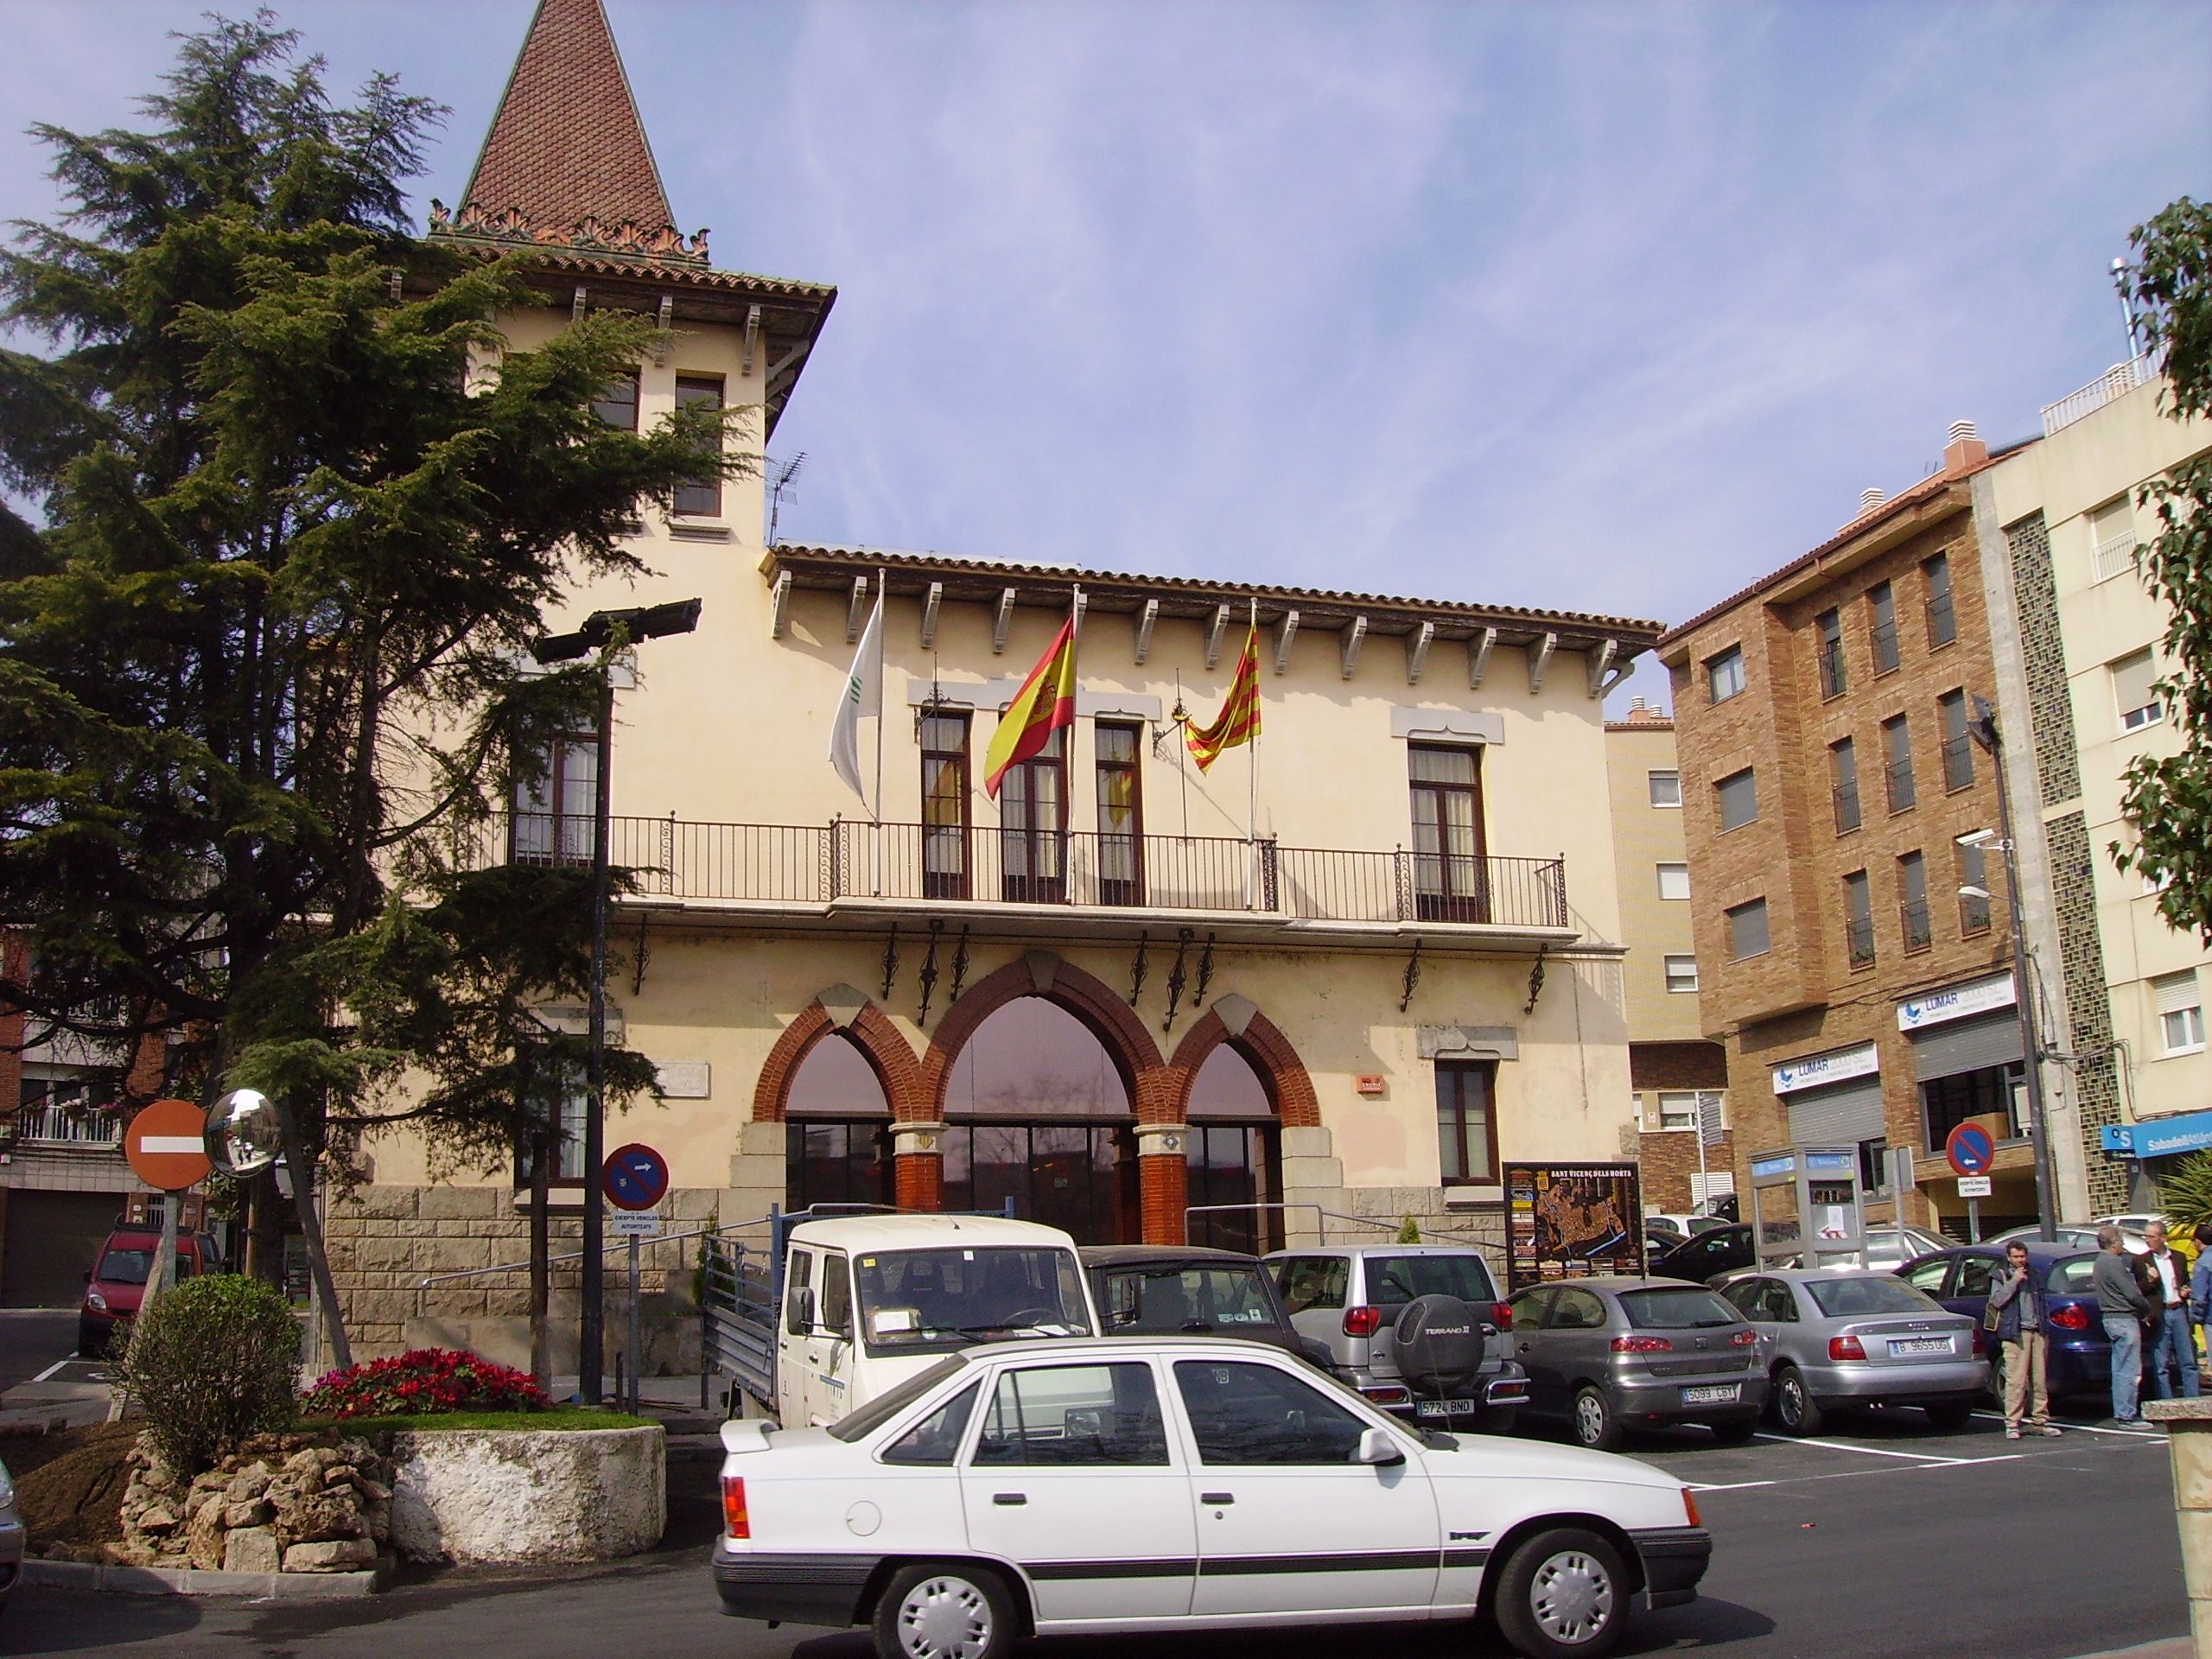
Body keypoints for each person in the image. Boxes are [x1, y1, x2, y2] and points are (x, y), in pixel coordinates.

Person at [1985, 1239, 2061, 1440]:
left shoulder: (2034, 1275)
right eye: (2016, 1257)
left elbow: (2043, 1302)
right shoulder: (2000, 1275)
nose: (2020, 1261)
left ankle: (2040, 1421)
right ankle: (2012, 1423)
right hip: (2015, 1333)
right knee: (2016, 1381)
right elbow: (1998, 1300)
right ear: (2009, 1258)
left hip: (2037, 1331)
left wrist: (2044, 1329)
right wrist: (2014, 1281)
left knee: (2039, 1380)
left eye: (2023, 1256)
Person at [2094, 1224, 2155, 1428]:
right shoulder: (2113, 1262)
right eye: (2121, 1241)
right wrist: (2147, 1309)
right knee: (2129, 1369)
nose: (2123, 1245)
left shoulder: (2099, 1262)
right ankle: (2127, 1415)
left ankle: (2122, 1412)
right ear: (2114, 1243)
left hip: (2110, 1319)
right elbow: (2131, 1293)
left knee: (2119, 1368)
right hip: (2123, 1319)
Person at [2143, 1220, 2200, 1400]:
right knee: (2161, 1363)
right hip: (2160, 1314)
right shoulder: (2142, 1261)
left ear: (2163, 1238)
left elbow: (2185, 1281)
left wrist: (2186, 1290)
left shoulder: (2179, 1257)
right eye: (2145, 1236)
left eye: (2151, 1237)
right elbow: (2138, 1290)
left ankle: (2193, 1400)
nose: (2147, 1240)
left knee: (2188, 1360)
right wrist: (2150, 1281)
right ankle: (2165, 1403)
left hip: (2179, 1310)